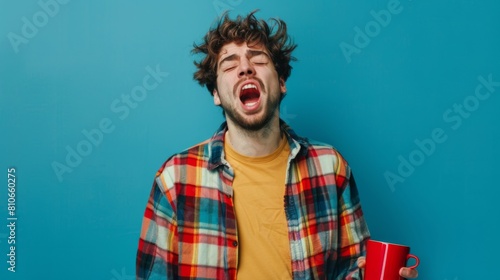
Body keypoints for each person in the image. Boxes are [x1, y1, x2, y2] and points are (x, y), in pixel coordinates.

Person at [136, 11, 418, 280]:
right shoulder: (175, 178)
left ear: (281, 82)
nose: (245, 67)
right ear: (216, 94)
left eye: (258, 59)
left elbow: (353, 269)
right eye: (230, 65)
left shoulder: (330, 167)